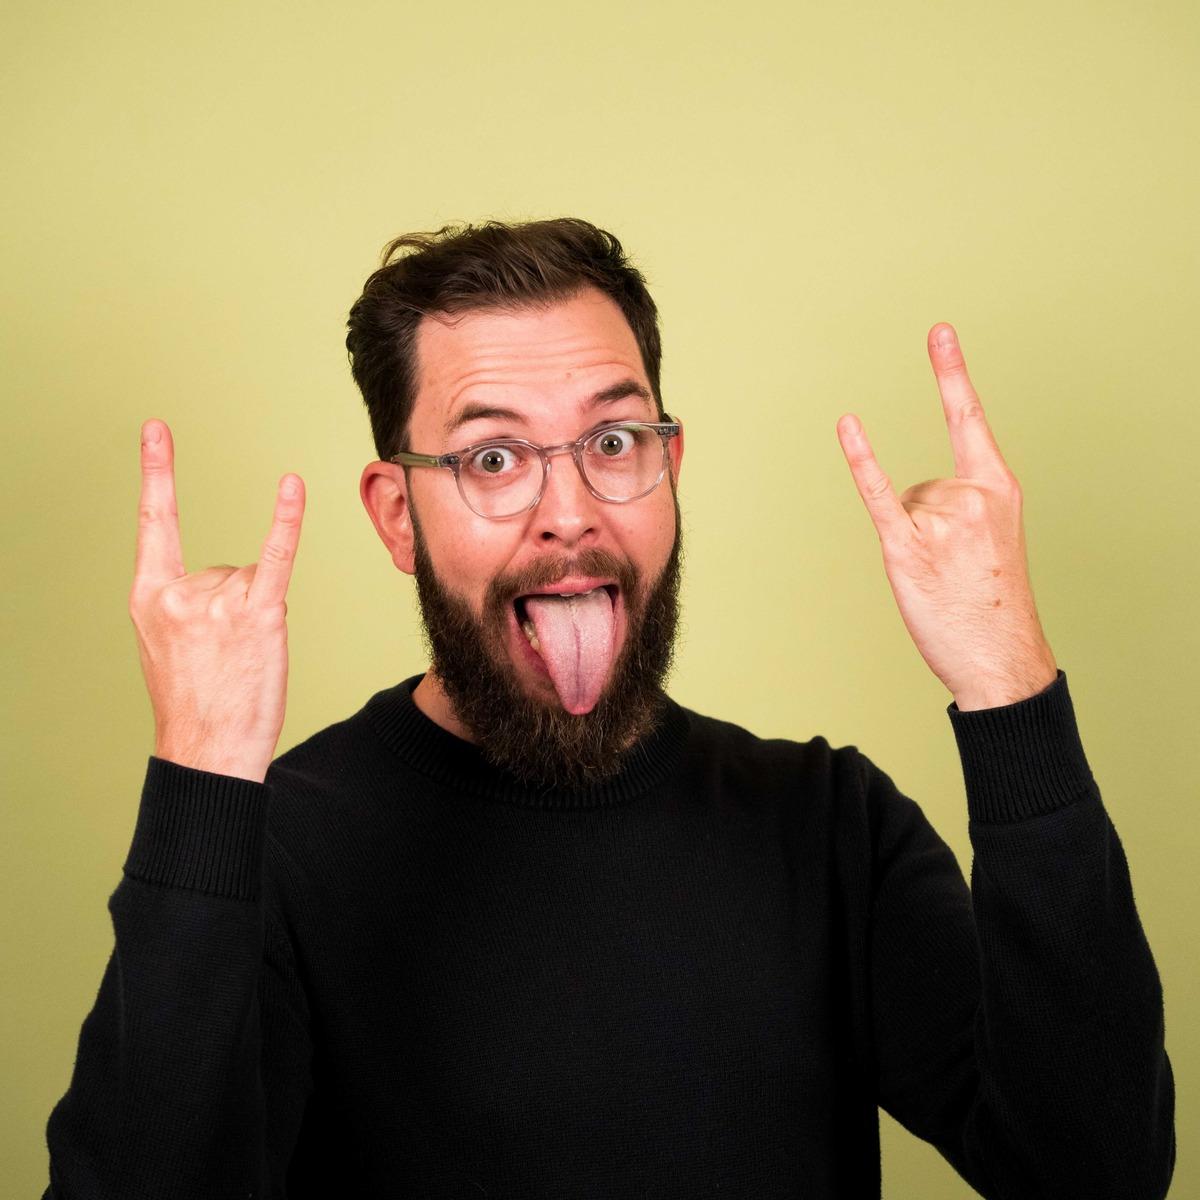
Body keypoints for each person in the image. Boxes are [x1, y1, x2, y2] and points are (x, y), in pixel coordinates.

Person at [43, 218, 1174, 1198]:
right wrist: (200, 778)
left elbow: (1096, 1170)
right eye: (493, 458)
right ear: (396, 517)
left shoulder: (831, 825)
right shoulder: (276, 846)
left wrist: (1008, 684)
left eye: (615, 442)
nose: (571, 512)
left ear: (669, 468)